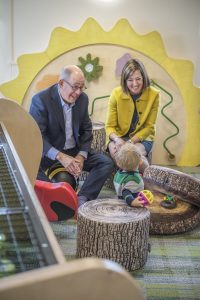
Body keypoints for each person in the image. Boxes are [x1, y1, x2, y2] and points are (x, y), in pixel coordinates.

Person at [29, 65, 114, 206]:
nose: (78, 92)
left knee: (106, 162)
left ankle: (83, 198)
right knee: (30, 169)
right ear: (61, 83)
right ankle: (52, 195)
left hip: (74, 151)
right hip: (50, 154)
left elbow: (87, 129)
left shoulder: (83, 99)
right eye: (75, 87)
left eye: (82, 87)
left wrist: (81, 156)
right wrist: (60, 157)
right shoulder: (41, 100)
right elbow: (38, 136)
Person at [105, 58, 160, 173]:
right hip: (119, 137)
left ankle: (132, 184)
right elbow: (109, 126)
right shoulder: (116, 94)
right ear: (124, 81)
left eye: (138, 79)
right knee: (118, 152)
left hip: (143, 139)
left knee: (132, 153)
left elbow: (149, 127)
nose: (135, 84)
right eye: (130, 80)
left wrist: (130, 143)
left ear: (143, 78)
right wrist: (117, 140)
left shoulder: (154, 95)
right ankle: (136, 182)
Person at [113, 142, 145, 207]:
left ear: (118, 163)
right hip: (130, 203)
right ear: (140, 162)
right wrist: (132, 202)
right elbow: (125, 192)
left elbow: (126, 179)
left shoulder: (120, 172)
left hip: (120, 198)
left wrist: (136, 175)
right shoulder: (133, 180)